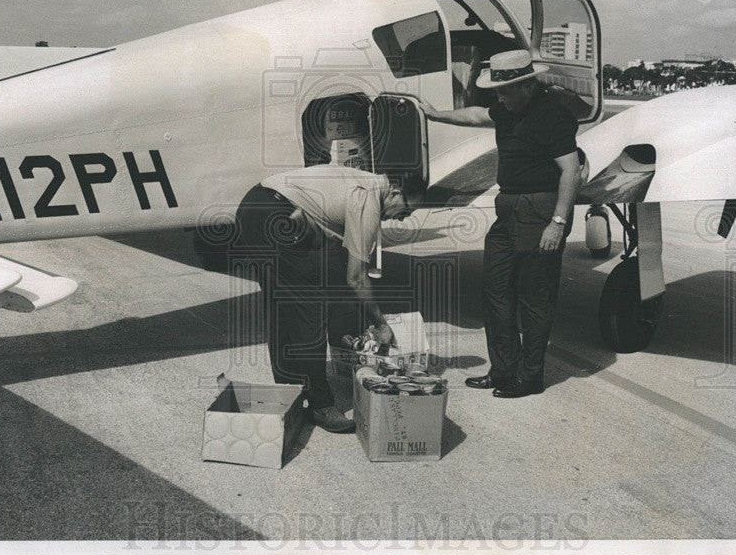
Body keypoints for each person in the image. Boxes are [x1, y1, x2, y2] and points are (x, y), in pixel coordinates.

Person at [418, 49, 582, 398]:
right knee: (496, 291)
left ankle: (530, 377)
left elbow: (571, 169)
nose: (498, 97)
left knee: (535, 298)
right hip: (508, 210)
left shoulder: (551, 115)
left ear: (524, 86)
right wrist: (435, 115)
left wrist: (557, 222)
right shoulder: (509, 108)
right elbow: (478, 116)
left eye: (503, 91)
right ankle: (503, 370)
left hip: (540, 208)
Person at [231, 164, 422, 432]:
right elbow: (356, 278)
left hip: (255, 209)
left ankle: (290, 392)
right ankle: (321, 405)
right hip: (274, 215)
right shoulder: (368, 199)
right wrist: (380, 323)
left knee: (282, 305)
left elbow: (336, 254)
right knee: (312, 309)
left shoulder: (363, 181)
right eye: (405, 210)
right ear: (394, 192)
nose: (402, 218)